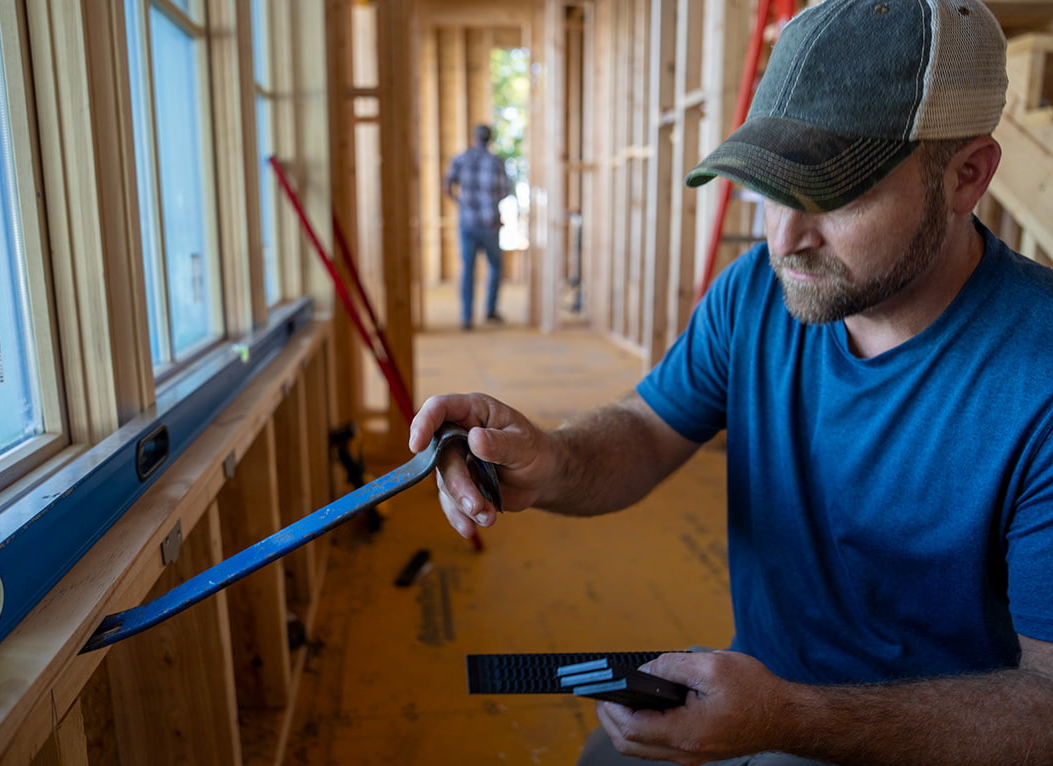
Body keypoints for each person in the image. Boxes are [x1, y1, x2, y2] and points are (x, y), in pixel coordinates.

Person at [411, 0, 1053, 763]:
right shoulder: (756, 292)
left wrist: (792, 720)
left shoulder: (1037, 378)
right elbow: (649, 429)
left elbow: (1045, 707)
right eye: (770, 184)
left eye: (834, 193)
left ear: (967, 177)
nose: (783, 238)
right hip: (765, 698)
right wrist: (551, 459)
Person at [443, 123, 513, 330]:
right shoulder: (496, 162)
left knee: (468, 271)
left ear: (474, 138)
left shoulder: (461, 159)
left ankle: (467, 317)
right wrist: (490, 206)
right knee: (495, 268)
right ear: (489, 139)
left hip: (467, 224)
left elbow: (446, 186)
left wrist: (462, 204)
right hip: (490, 224)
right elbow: (504, 190)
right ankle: (490, 310)